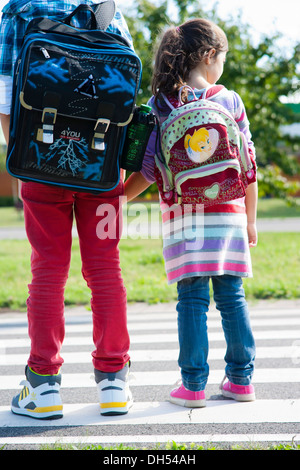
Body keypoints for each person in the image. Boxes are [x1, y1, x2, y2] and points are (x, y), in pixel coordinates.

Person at [0, 0, 133, 419]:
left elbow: (6, 101)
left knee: (48, 271)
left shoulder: (18, 10)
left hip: (40, 164)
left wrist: (27, 158)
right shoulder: (106, 9)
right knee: (105, 269)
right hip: (102, 167)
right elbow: (124, 99)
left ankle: (43, 387)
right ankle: (114, 382)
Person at [125, 18, 257, 407]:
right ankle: (241, 380)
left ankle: (194, 385)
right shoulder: (229, 100)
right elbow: (249, 165)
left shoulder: (160, 105)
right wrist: (250, 218)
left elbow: (148, 170)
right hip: (230, 215)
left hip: (186, 220)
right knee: (232, 296)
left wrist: (118, 199)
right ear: (209, 55)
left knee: (193, 300)